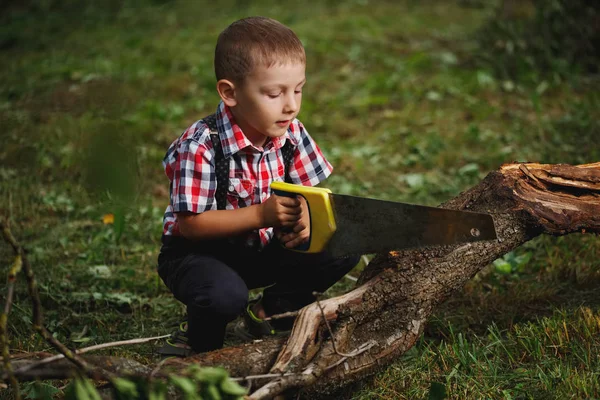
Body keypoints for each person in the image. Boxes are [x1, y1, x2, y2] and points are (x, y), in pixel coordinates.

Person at [157, 16, 360, 356]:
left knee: (342, 242)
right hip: (199, 254)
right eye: (274, 93)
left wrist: (308, 221)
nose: (291, 105)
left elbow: (307, 195)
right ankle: (199, 340)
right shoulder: (203, 144)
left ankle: (271, 311)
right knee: (224, 296)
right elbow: (190, 226)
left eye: (298, 90)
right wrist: (262, 214)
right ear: (230, 93)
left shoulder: (291, 133)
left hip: (261, 251)